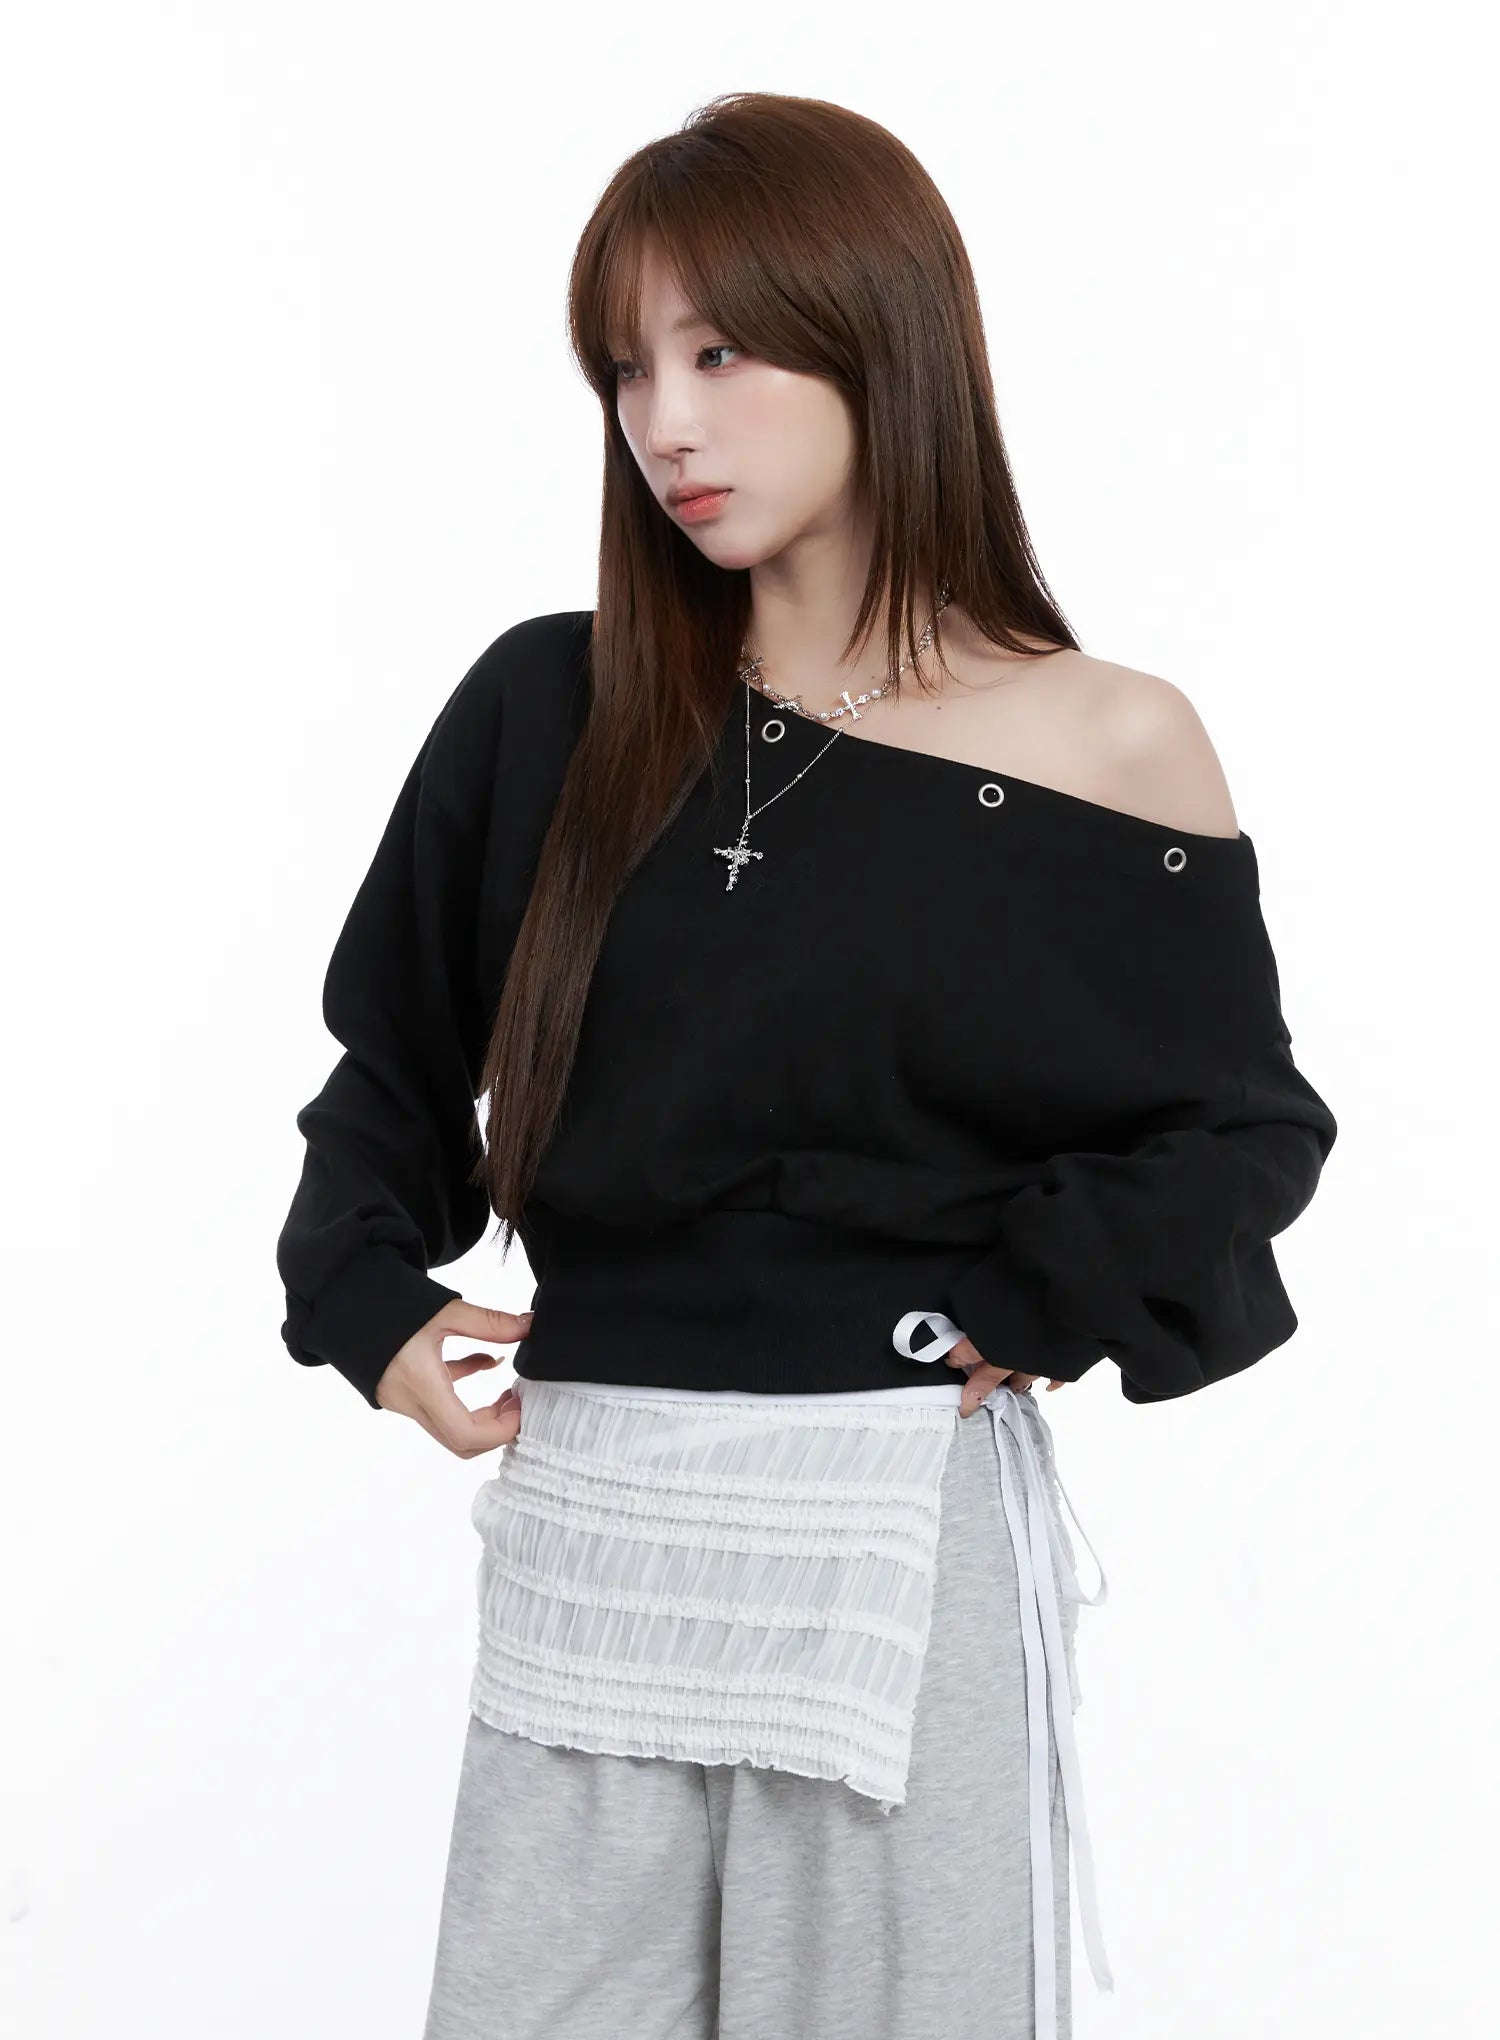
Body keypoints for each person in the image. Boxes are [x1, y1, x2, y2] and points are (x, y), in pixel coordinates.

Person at [276, 91, 1338, 2040]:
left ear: (877, 339)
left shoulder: (1104, 743)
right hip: (598, 1516)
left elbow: (1241, 1123)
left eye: (720, 352)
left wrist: (1039, 1294)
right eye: (626, 369)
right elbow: (391, 1053)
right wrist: (363, 1294)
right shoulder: (550, 704)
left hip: (893, 1519)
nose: (664, 424)